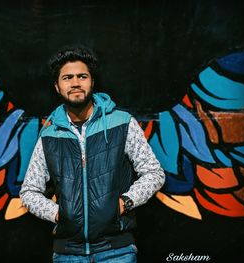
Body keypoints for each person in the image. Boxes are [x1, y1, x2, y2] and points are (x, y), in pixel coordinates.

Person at [20, 45, 165, 263]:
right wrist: (59, 214)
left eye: (82, 76)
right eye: (67, 77)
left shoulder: (122, 123)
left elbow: (154, 173)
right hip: (67, 253)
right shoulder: (49, 135)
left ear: (92, 82)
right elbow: (29, 191)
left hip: (117, 251)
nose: (76, 83)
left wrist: (124, 203)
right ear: (57, 87)